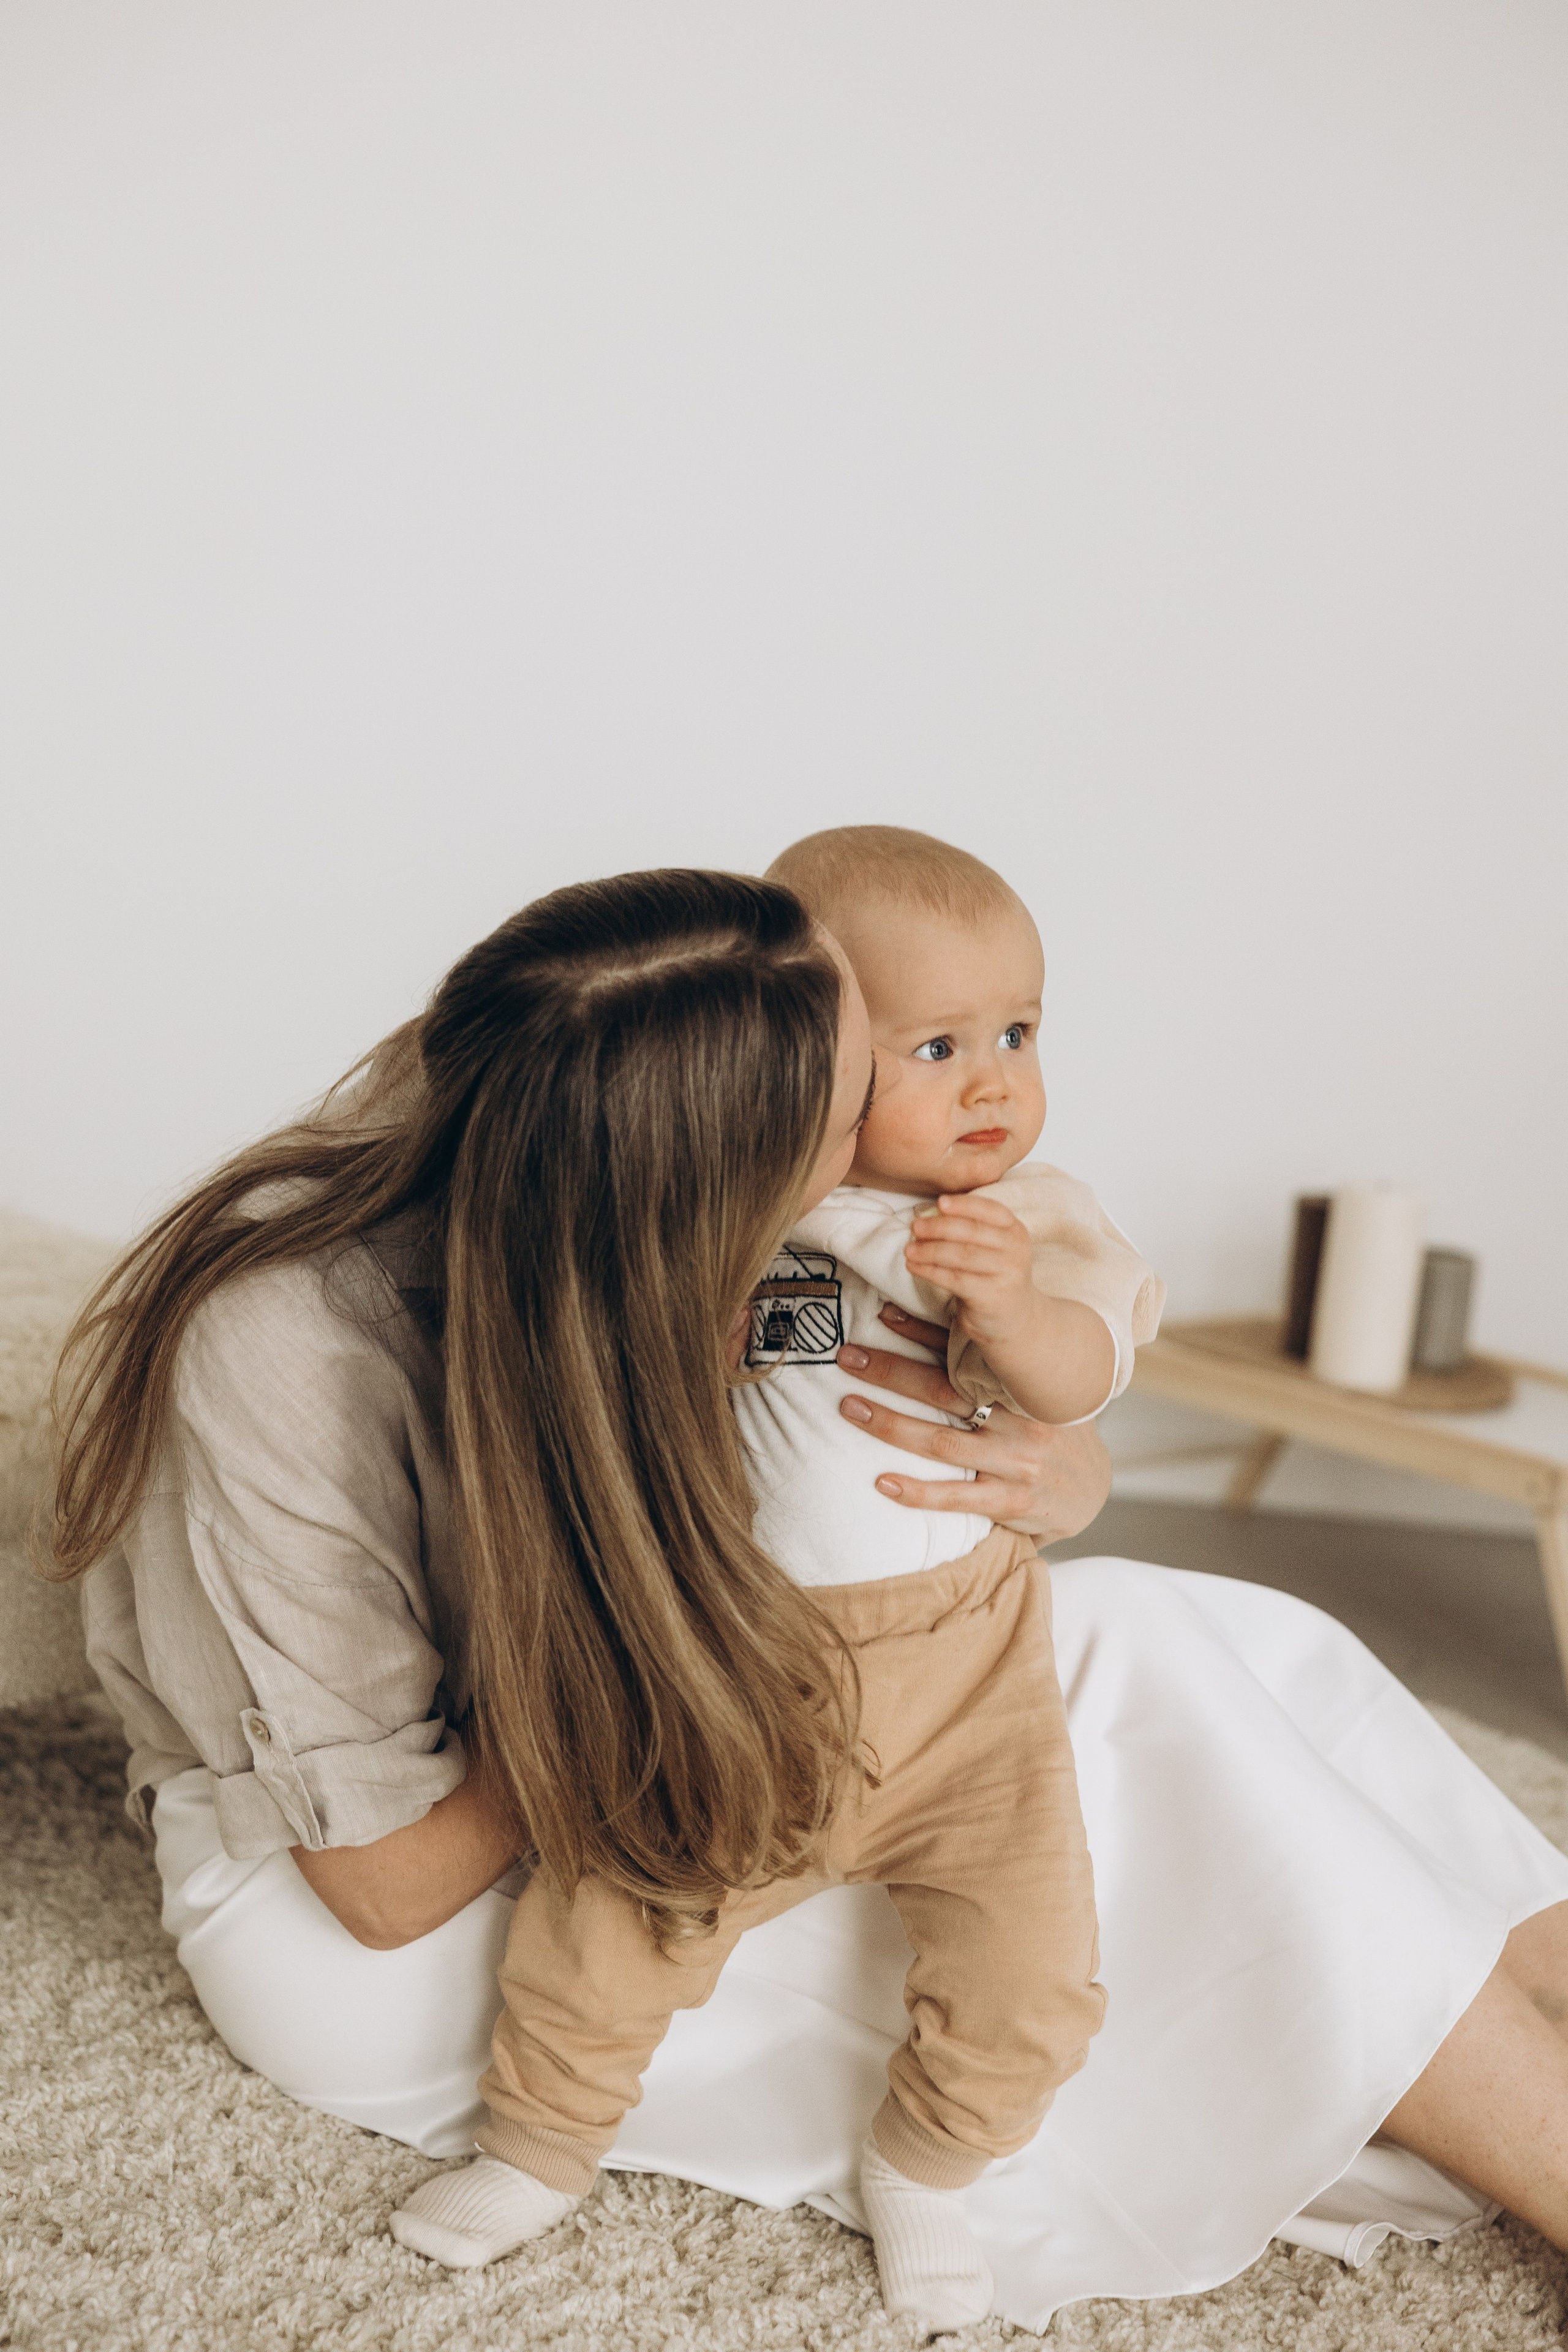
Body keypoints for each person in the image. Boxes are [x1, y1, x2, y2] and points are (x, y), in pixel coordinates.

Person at [46, 864, 1568, 2337]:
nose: (900, 1160)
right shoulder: (283, 1349)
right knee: (1145, 1714)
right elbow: (379, 1887)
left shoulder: (715, 1236)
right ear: (700, 1173)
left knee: (1211, 1641)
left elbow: (901, 1474)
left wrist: (1051, 1469)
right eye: (852, 1122)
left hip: (675, 1733)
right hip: (394, 1929)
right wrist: (687, 1638)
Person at [390, 829, 1165, 2335]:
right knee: (615, 1910)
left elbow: (1080, 1376)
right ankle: (542, 2145)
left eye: (1018, 1033)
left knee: (1035, 1965)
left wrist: (1011, 1320)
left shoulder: (1028, 1224)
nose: (994, 1082)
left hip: (968, 1685)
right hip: (755, 1659)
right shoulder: (766, 1218)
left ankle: (929, 2167)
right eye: (936, 1046)